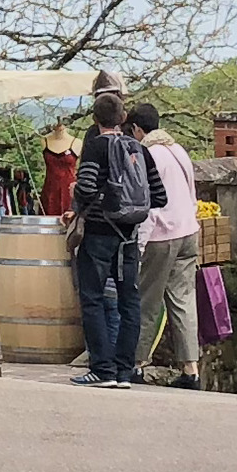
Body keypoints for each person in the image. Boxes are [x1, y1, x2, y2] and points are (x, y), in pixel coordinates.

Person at [68, 89, 159, 386]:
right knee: (129, 301)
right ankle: (124, 370)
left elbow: (85, 187)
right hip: (130, 237)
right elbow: (158, 195)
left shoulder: (95, 147)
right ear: (122, 118)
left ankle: (102, 369)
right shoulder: (139, 149)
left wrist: (86, 205)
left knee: (92, 299)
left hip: (98, 235)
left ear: (95, 119)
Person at [129, 100, 201, 386]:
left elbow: (150, 205)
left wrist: (140, 245)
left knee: (147, 301)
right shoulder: (178, 150)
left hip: (163, 235)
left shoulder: (148, 154)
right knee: (183, 302)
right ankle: (191, 370)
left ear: (136, 128)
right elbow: (192, 193)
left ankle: (135, 364)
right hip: (188, 232)